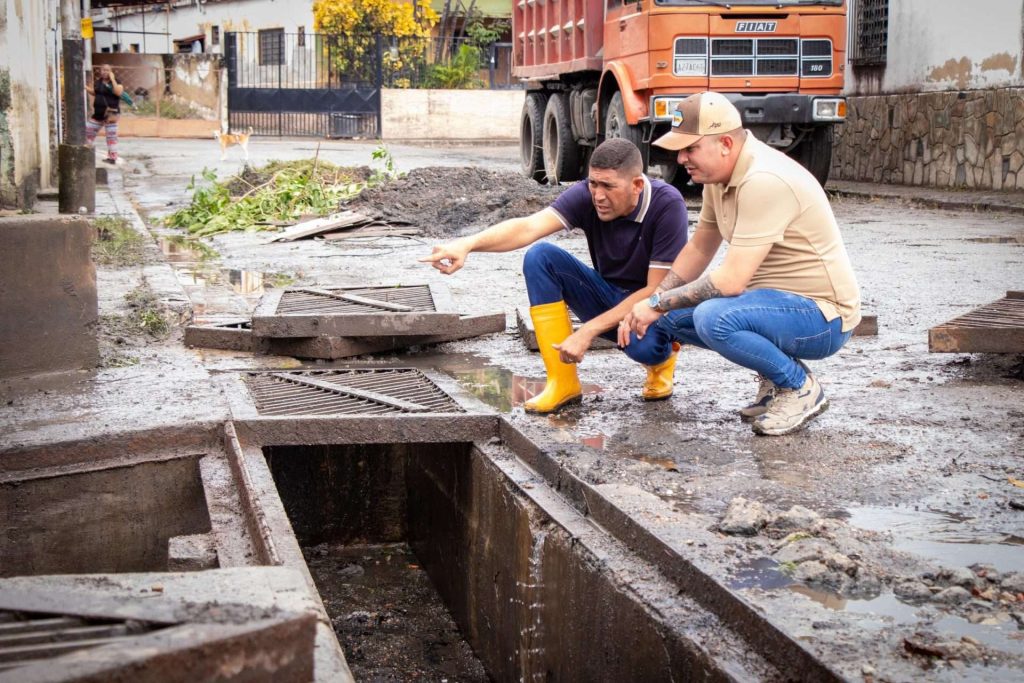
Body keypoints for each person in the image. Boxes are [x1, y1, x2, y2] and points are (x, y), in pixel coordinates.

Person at [621, 91, 861, 436]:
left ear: (725, 144)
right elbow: (699, 250)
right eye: (680, 149)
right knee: (674, 316)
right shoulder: (717, 180)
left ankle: (799, 388)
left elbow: (730, 282)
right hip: (777, 306)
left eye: (691, 148)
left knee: (712, 318)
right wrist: (656, 300)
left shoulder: (763, 180)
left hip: (823, 317)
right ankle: (774, 381)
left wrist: (656, 304)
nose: (682, 157)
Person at [420, 138, 689, 414]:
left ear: (637, 186)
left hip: (651, 307)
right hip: (607, 294)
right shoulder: (588, 195)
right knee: (541, 257)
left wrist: (587, 331)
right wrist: (468, 244)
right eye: (594, 184)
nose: (597, 196)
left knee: (646, 349)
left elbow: (657, 291)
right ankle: (562, 384)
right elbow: (528, 227)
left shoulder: (667, 204)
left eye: (608, 186)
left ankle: (662, 362)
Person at [85, 64, 123, 164]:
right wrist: (85, 87)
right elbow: (96, 93)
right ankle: (86, 153)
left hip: (111, 114)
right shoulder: (98, 82)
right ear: (100, 71)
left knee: (111, 136)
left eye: (107, 70)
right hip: (98, 113)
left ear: (111, 72)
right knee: (88, 131)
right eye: (103, 70)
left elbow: (118, 92)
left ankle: (112, 158)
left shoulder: (117, 82)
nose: (105, 72)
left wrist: (113, 79)